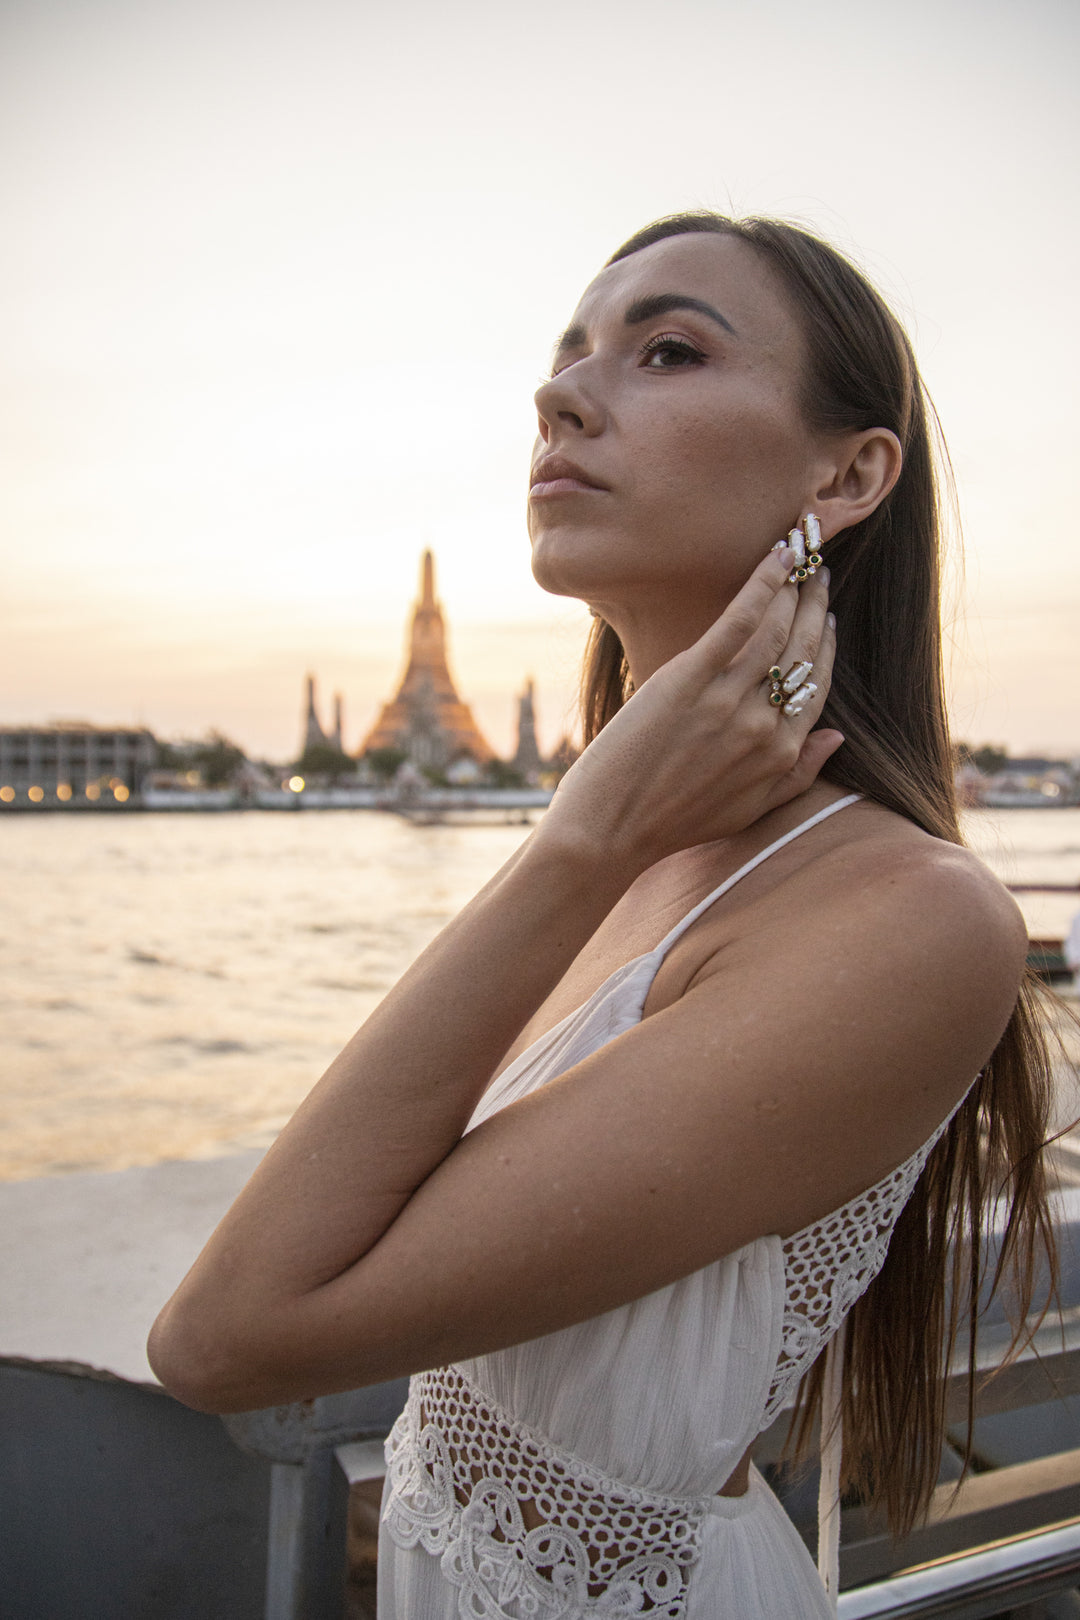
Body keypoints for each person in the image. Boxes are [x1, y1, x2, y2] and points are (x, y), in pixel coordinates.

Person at [148, 213, 1061, 1617]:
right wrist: (593, 830)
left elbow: (226, 1336)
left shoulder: (911, 920)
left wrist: (577, 834)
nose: (559, 395)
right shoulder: (643, 853)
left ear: (850, 470)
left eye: (669, 350)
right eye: (566, 354)